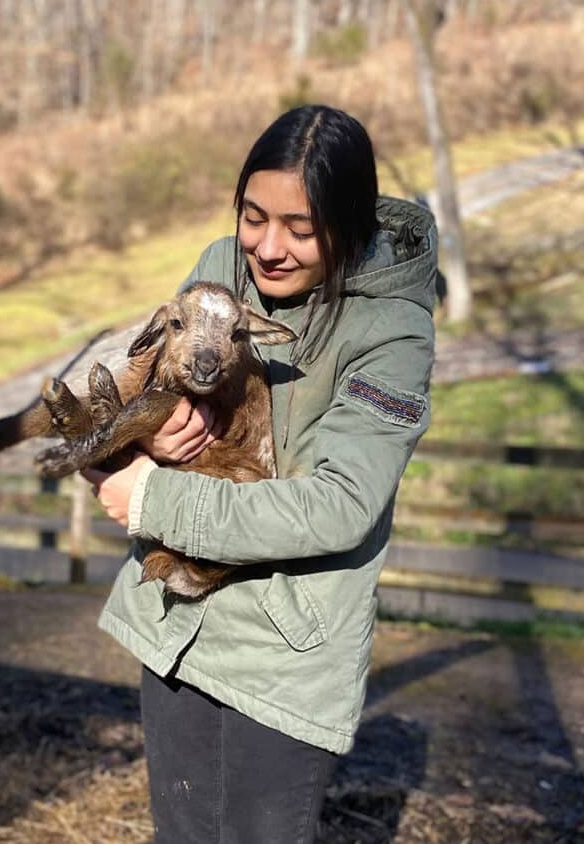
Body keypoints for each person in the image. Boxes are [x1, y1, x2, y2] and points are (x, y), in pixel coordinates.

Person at [82, 104, 437, 844]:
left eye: (301, 230)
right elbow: (145, 380)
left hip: (283, 647)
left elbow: (342, 505)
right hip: (176, 617)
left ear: (349, 224)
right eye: (253, 216)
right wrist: (130, 450)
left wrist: (151, 496)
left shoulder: (391, 331)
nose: (267, 248)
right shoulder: (222, 266)